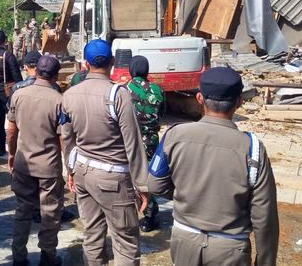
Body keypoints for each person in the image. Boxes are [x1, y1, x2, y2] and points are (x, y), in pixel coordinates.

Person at [148, 67, 279, 266]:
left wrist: (186, 192)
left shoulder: (174, 135)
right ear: (239, 102)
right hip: (230, 248)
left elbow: (155, 185)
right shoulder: (253, 149)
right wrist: (265, 260)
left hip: (185, 240)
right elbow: (264, 213)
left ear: (200, 98)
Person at [61, 39, 149, 266]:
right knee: (125, 241)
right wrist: (143, 185)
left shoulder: (70, 94)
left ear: (85, 64)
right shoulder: (118, 95)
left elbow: (67, 138)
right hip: (113, 179)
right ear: (111, 62)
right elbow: (133, 143)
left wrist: (70, 170)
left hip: (82, 172)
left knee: (92, 234)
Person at [7, 55, 66, 266]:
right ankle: (48, 257)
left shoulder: (19, 95)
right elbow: (63, 139)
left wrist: (12, 154)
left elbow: (12, 130)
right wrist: (68, 167)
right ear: (56, 75)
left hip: (24, 164)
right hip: (48, 167)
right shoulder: (59, 100)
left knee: (22, 211)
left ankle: (19, 258)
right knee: (50, 214)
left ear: (35, 71)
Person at [126, 55, 164, 232]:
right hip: (151, 140)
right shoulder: (158, 90)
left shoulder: (123, 90)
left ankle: (128, 213)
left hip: (129, 140)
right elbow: (162, 113)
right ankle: (149, 216)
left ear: (131, 70)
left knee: (128, 176)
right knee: (148, 176)